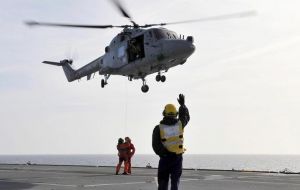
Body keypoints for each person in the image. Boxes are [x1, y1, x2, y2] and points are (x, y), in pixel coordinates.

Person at [152, 94, 190, 190]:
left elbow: (156, 146)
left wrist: (165, 154)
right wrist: (183, 105)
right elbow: (186, 117)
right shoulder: (180, 124)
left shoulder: (158, 128)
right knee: (175, 183)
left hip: (165, 159)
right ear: (175, 114)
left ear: (164, 113)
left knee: (163, 183)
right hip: (177, 159)